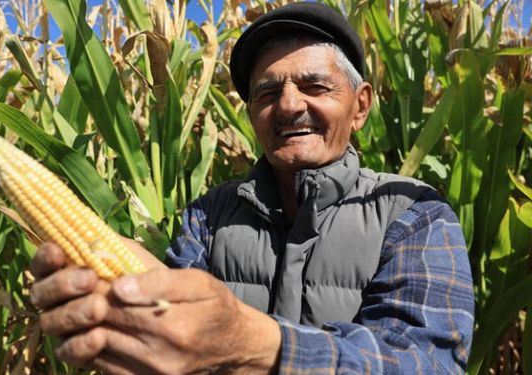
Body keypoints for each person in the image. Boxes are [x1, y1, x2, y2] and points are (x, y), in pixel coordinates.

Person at [29, 2, 474, 374]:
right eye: (267, 93)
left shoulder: (415, 214)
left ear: (360, 107)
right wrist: (135, 303)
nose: (288, 105)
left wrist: (258, 343)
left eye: (314, 86)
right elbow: (176, 340)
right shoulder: (208, 215)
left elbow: (425, 360)